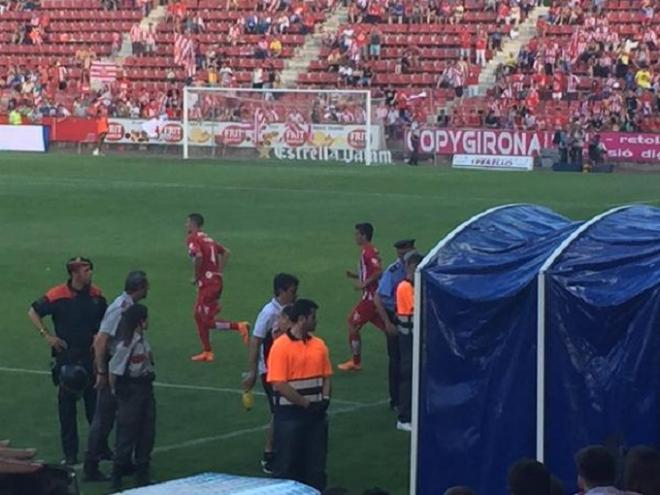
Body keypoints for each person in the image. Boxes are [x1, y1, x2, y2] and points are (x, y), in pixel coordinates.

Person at [28, 257, 108, 465]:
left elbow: (105, 322)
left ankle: (100, 447)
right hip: (68, 358)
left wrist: (99, 338)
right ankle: (70, 453)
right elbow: (33, 311)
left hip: (90, 357)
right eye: (86, 270)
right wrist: (47, 335)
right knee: (67, 409)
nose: (90, 274)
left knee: (96, 407)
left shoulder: (96, 295)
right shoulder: (57, 295)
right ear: (75, 274)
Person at [83, 271, 150, 482]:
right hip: (115, 369)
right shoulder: (119, 308)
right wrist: (102, 372)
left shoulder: (128, 307)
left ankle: (120, 463)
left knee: (117, 419)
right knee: (104, 419)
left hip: (118, 366)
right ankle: (91, 466)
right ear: (140, 287)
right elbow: (101, 340)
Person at [267, 299, 332, 491]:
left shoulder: (319, 345)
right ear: (302, 319)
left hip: (316, 415)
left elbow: (327, 376)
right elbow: (279, 383)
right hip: (291, 415)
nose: (316, 321)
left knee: (315, 467)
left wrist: (325, 400)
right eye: (313, 317)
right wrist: (306, 404)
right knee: (288, 465)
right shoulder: (280, 347)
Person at [242, 273, 299, 474]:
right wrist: (252, 372)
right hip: (270, 371)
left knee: (285, 410)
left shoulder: (290, 310)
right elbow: (256, 340)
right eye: (292, 291)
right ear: (281, 291)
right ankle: (269, 453)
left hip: (288, 369)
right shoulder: (268, 313)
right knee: (279, 411)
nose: (295, 295)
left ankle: (283, 449)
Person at [185, 213, 250, 362]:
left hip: (208, 285)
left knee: (206, 321)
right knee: (197, 315)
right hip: (214, 283)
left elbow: (199, 256)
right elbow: (226, 252)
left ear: (193, 224)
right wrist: (218, 272)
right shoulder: (208, 238)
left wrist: (196, 276)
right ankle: (207, 351)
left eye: (187, 222)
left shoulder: (193, 238)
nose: (186, 225)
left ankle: (239, 326)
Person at [109, 304, 155, 491]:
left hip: (145, 388)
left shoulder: (142, 340)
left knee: (147, 432)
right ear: (141, 321)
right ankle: (117, 475)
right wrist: (116, 392)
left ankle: (142, 473)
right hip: (131, 391)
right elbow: (114, 369)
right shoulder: (126, 345)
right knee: (127, 434)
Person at [373, 239, 416, 410]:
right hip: (395, 316)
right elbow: (378, 298)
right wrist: (387, 323)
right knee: (398, 360)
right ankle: (397, 400)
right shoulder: (394, 271)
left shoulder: (420, 266)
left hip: (412, 316)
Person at [338, 223, 385, 372]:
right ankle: (410, 346)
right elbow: (371, 271)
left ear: (364, 235)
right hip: (373, 297)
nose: (355, 237)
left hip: (370, 299)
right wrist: (355, 275)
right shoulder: (370, 250)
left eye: (357, 234)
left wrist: (363, 284)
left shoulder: (368, 252)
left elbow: (378, 272)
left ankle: (356, 362)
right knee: (387, 327)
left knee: (352, 323)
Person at [394, 251, 423, 431]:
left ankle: (413, 412)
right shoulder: (405, 287)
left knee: (416, 375)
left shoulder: (414, 285)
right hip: (408, 337)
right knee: (409, 374)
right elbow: (415, 307)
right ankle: (404, 417)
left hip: (415, 336)